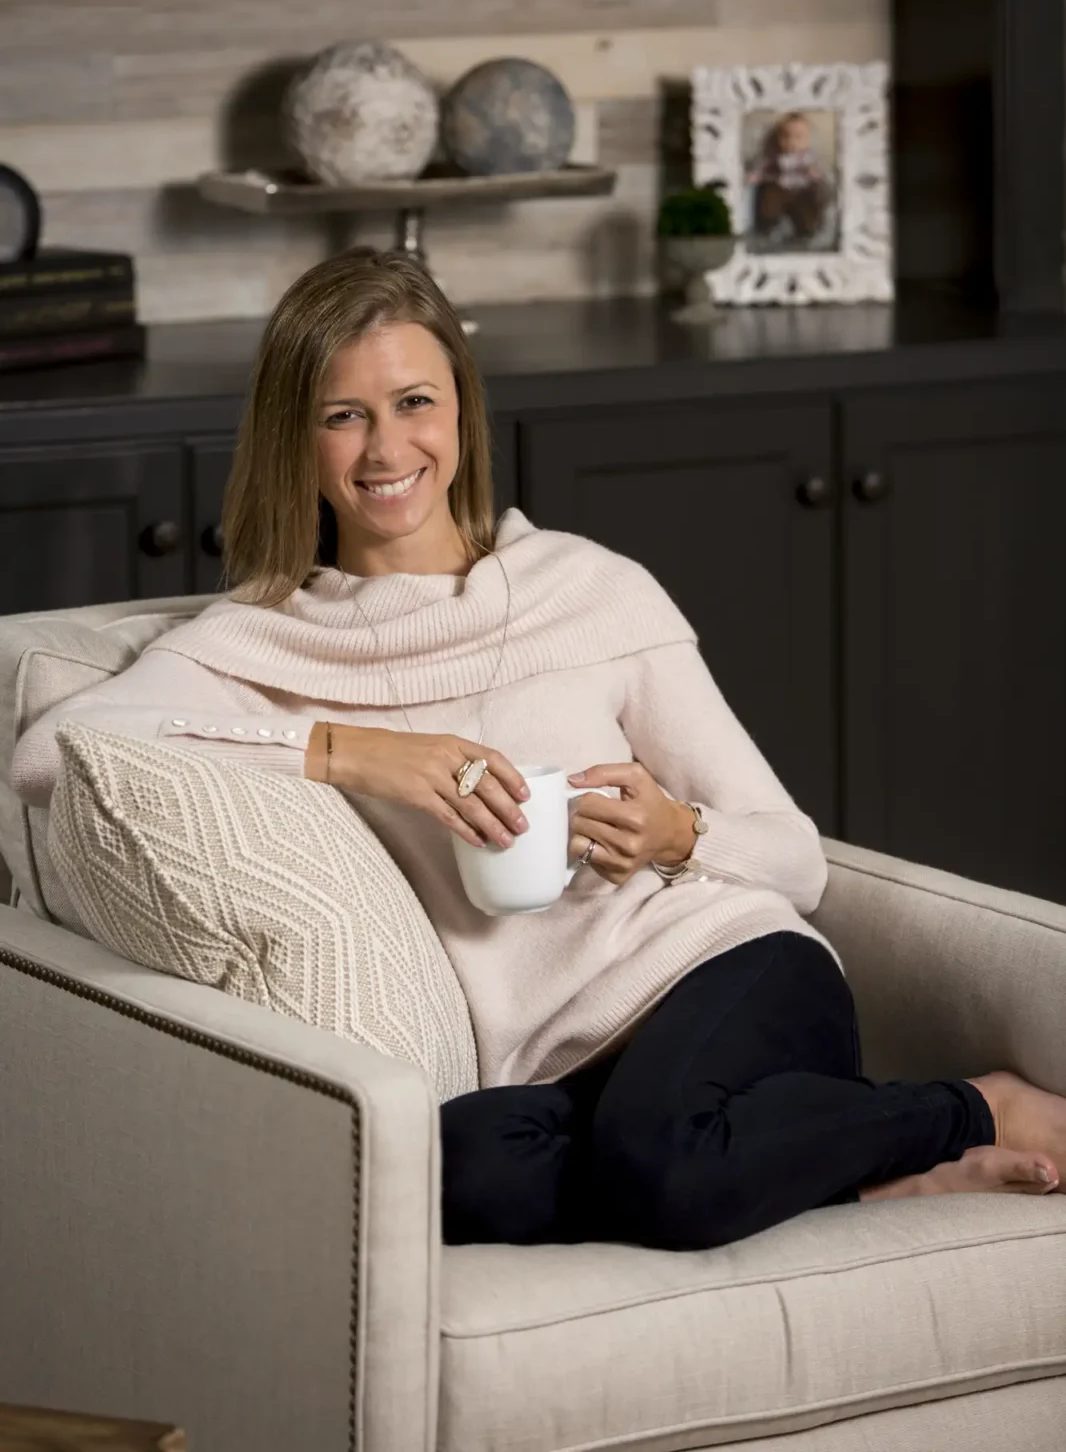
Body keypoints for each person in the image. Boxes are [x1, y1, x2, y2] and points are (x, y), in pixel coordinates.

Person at [11, 248, 1066, 1251]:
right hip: (538, 1071)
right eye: (344, 416)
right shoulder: (262, 640)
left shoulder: (588, 589)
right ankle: (840, 1166)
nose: (386, 450)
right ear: (296, 437)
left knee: (661, 1161)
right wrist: (348, 753)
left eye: (414, 402)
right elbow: (56, 752)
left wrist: (676, 833)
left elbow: (797, 857)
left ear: (462, 408)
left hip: (721, 971)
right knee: (453, 1174)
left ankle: (968, 1107)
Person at [748, 110, 831, 246]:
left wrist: (815, 174)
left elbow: (820, 174)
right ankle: (772, 226)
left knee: (808, 207)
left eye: (798, 137)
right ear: (778, 138)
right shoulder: (773, 155)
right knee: (769, 195)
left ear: (808, 140)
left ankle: (805, 230)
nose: (791, 141)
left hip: (801, 192)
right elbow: (763, 168)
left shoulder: (809, 157)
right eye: (785, 136)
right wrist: (756, 176)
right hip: (780, 188)